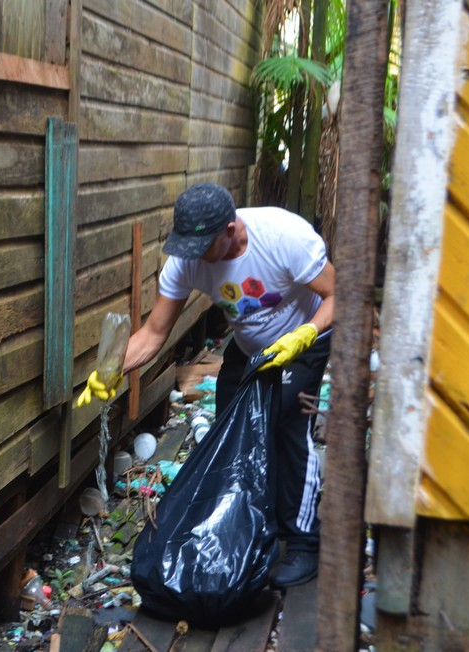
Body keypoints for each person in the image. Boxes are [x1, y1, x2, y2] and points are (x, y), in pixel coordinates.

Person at [80, 182, 334, 588]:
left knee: (287, 424)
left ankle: (303, 541)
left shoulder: (285, 237)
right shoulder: (187, 259)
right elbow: (152, 334)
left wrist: (304, 335)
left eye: (203, 247)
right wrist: (111, 372)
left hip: (305, 337)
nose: (193, 257)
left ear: (230, 230)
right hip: (250, 346)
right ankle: (250, 523)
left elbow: (339, 294)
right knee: (231, 433)